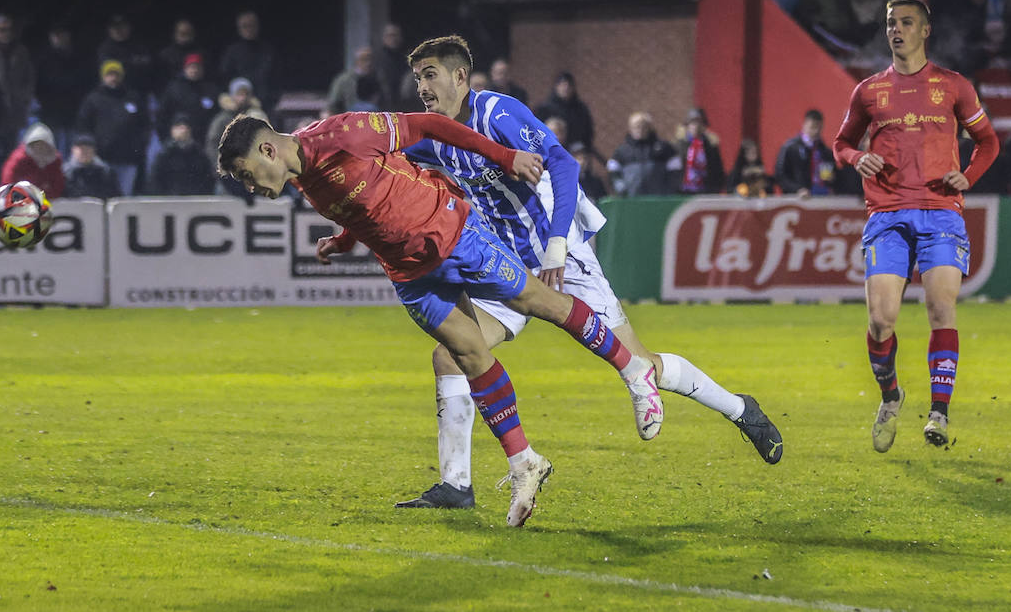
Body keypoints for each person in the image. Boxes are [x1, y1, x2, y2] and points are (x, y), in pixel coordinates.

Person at [390, 35, 782, 509]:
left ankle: (742, 410)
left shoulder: (497, 112)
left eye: (429, 76)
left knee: (643, 366)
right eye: (417, 79)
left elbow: (562, 162)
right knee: (451, 354)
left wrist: (557, 244)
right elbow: (395, 159)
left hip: (561, 258)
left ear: (459, 77)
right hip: (504, 264)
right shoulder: (435, 134)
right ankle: (456, 485)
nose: (422, 87)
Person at [217, 109, 633, 528]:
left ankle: (632, 369)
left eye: (246, 174)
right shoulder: (303, 178)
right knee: (465, 354)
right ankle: (524, 462)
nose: (250, 186)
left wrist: (505, 158)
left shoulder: (344, 133)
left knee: (539, 301)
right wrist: (343, 242)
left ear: (267, 149)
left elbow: (429, 125)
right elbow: (364, 205)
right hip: (410, 275)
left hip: (452, 234)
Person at [832, 0, 999, 451]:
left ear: (926, 30)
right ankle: (891, 396)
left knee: (941, 310)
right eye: (890, 23)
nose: (896, 30)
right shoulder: (868, 91)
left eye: (906, 22)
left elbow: (987, 141)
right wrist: (855, 156)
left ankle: (939, 414)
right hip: (886, 215)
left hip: (942, 211)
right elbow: (841, 142)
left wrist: (969, 176)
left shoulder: (954, 86)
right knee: (881, 321)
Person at [76, 60, 149, 195]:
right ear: (103, 76)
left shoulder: (132, 98)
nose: (113, 78)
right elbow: (84, 127)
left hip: (128, 158)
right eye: (109, 74)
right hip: (101, 160)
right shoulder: (93, 99)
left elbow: (144, 125)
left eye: (116, 74)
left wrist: (139, 147)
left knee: (123, 198)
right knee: (102, 196)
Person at [35, 25, 89, 147]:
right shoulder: (44, 58)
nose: (58, 38)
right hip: (51, 112)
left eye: (61, 34)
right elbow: (38, 86)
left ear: (68, 35)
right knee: (52, 148)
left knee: (73, 148)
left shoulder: (78, 55)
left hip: (74, 112)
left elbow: (84, 82)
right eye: (55, 35)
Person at [0, 14, 36, 131]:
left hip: (17, 106)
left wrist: (25, 96)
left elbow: (30, 76)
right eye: (1, 30)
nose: (5, 33)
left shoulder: (21, 51)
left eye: (8, 30)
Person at [219, 10, 279, 107]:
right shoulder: (232, 51)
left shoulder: (268, 51)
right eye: (245, 26)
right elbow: (225, 78)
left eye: (251, 25)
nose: (249, 29)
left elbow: (275, 78)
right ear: (239, 28)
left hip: (265, 103)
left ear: (258, 26)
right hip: (238, 103)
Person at [608, 111, 673, 196]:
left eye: (643, 127)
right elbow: (613, 172)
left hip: (658, 200)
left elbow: (675, 172)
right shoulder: (622, 151)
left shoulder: (663, 148)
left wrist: (668, 190)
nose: (640, 130)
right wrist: (621, 189)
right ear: (630, 129)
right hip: (631, 201)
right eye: (636, 127)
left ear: (649, 128)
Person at [157, 53, 218, 144]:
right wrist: (166, 137)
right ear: (185, 69)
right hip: (178, 138)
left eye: (197, 67)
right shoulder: (174, 88)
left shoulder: (210, 89)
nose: (194, 70)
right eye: (191, 67)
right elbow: (162, 115)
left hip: (203, 139)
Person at [774, 109, 835, 197]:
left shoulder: (825, 151)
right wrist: (796, 189)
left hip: (822, 195)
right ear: (804, 125)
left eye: (819, 128)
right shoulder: (790, 148)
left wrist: (830, 182)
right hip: (798, 198)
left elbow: (831, 175)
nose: (816, 131)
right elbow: (780, 175)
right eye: (813, 127)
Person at [149, 115, 213, 195]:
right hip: (170, 201)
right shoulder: (164, 155)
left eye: (186, 127)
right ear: (172, 131)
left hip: (195, 200)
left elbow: (208, 179)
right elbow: (155, 180)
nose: (183, 130)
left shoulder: (199, 154)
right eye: (179, 127)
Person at [0, 122, 65, 199]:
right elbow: (8, 180)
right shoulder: (19, 159)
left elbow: (58, 184)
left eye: (43, 145)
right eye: (36, 144)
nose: (40, 148)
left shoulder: (55, 161)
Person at [534, 72, 594, 150]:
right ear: (556, 87)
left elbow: (588, 133)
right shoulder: (544, 109)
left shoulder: (581, 109)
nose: (565, 88)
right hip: (550, 149)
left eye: (568, 86)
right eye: (562, 85)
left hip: (575, 151)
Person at [672, 107, 724, 194]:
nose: (696, 126)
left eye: (699, 122)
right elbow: (674, 169)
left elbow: (718, 171)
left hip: (706, 190)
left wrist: (716, 188)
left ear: (704, 125)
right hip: (684, 191)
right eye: (693, 123)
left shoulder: (711, 146)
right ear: (687, 125)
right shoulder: (679, 146)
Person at [325, 47, 381, 115]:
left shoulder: (379, 79)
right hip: (349, 121)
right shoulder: (344, 80)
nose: (368, 63)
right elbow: (333, 103)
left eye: (370, 59)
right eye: (364, 59)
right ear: (357, 61)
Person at [61, 134, 119, 199]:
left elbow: (115, 196)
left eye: (88, 149)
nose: (85, 152)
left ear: (94, 151)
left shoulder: (105, 172)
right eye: (81, 149)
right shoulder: (65, 173)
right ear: (73, 150)